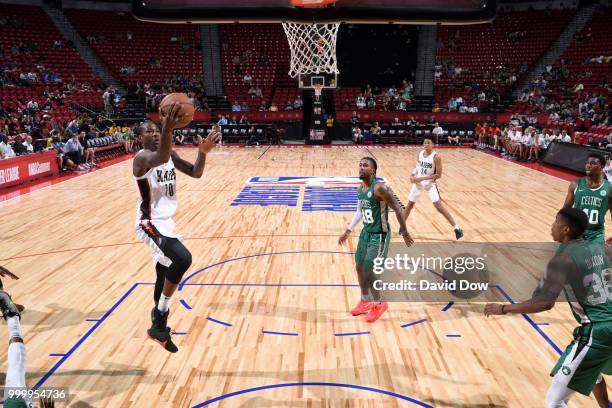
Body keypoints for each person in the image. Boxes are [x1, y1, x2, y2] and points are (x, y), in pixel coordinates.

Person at [484, 208, 611, 408]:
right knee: (592, 372)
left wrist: (503, 309)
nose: (552, 226)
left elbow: (545, 303)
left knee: (555, 401)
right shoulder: (600, 248)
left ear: (567, 229)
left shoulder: (564, 259)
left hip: (597, 331)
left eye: (555, 222)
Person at [133, 104, 220, 353]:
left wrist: (203, 152)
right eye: (150, 130)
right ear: (140, 138)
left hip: (167, 223)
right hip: (148, 223)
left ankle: (158, 327)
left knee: (163, 273)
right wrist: (168, 126)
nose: (156, 132)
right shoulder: (142, 158)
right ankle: (160, 317)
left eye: (157, 129)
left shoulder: (169, 154)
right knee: (183, 258)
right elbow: (159, 157)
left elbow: (196, 173)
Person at [338, 157, 414, 323]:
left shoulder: (380, 188)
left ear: (373, 170)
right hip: (366, 233)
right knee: (359, 267)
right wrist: (347, 231)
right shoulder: (361, 188)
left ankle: (380, 304)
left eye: (365, 165)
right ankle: (365, 300)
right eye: (360, 165)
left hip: (379, 235)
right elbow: (359, 211)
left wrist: (405, 230)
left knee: (368, 269)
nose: (361, 167)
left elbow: (399, 209)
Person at [404, 139, 464, 240]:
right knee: (409, 205)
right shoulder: (420, 153)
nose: (426, 145)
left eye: (428, 143)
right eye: (424, 143)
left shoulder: (436, 157)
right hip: (418, 183)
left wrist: (420, 178)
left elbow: (438, 175)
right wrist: (412, 174)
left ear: (433, 144)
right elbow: (418, 166)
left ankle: (457, 228)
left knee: (438, 206)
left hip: (430, 183)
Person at [563, 153, 612, 244]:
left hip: (596, 234)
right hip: (576, 232)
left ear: (602, 167)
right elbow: (566, 208)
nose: (588, 165)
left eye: (593, 163)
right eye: (587, 163)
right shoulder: (575, 184)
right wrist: (561, 226)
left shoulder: (609, 188)